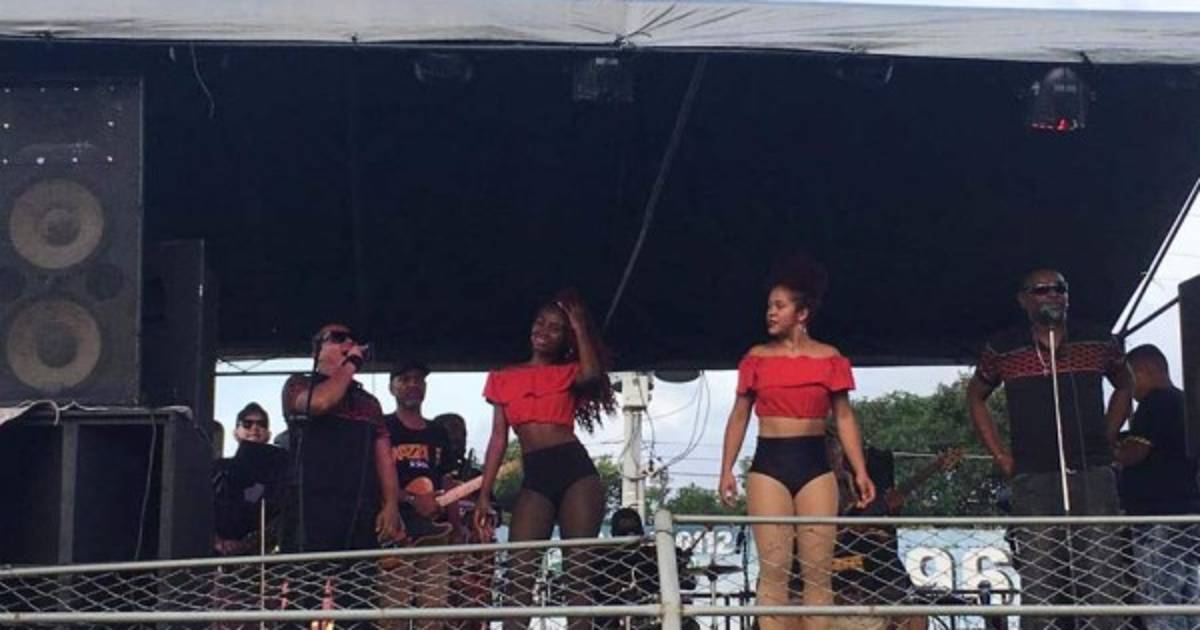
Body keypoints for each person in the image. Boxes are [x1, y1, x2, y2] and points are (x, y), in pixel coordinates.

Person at [966, 269, 1133, 630]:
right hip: (1034, 474)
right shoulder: (1004, 347)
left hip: (1092, 470)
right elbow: (975, 396)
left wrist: (1107, 434)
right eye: (1041, 290)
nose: (1053, 294)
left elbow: (1125, 383)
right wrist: (1000, 455)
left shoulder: (1097, 339)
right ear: (1023, 300)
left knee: (1103, 572)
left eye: (1060, 288)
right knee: (1040, 577)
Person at [719, 256, 876, 630]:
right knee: (774, 572)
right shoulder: (756, 358)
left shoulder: (830, 357)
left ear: (802, 313)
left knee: (817, 574)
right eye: (768, 306)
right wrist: (726, 469)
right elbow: (739, 416)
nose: (770, 313)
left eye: (779, 306)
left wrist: (860, 470)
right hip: (769, 466)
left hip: (815, 466)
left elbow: (844, 417)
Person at [474, 289, 616, 630]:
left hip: (576, 472)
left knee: (577, 574)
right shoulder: (502, 377)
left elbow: (592, 375)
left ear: (566, 338)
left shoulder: (570, 372)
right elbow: (498, 439)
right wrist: (484, 494)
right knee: (519, 573)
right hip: (536, 476)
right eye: (540, 323)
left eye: (555, 328)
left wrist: (579, 324)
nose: (544, 331)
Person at [280, 323, 403, 627]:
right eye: (338, 338)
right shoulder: (299, 384)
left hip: (358, 511)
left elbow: (383, 453)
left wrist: (391, 504)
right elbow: (320, 403)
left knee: (358, 601)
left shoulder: (368, 402)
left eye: (351, 339)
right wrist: (350, 366)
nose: (348, 342)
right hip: (310, 509)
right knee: (303, 600)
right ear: (317, 348)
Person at [1116, 344, 1200, 630]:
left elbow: (1135, 452)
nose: (1130, 389)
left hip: (1157, 516)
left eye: (1130, 378)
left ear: (1147, 370)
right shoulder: (1185, 402)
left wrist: (1113, 450)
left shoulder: (1155, 403)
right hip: (1186, 510)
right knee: (1188, 594)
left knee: (1160, 598)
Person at [378, 360, 452, 628]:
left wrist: (454, 522)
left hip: (433, 530)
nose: (413, 385)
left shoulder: (438, 432)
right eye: (405, 379)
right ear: (391, 387)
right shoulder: (382, 427)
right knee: (392, 612)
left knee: (433, 611)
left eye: (419, 379)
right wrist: (410, 499)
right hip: (396, 531)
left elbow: (445, 478)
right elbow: (374, 478)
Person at [213, 402, 287, 556]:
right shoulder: (218, 469)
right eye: (247, 424)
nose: (254, 428)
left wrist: (247, 544)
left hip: (262, 552)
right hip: (216, 552)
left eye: (261, 424)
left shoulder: (280, 470)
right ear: (235, 432)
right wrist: (216, 541)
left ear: (268, 434)